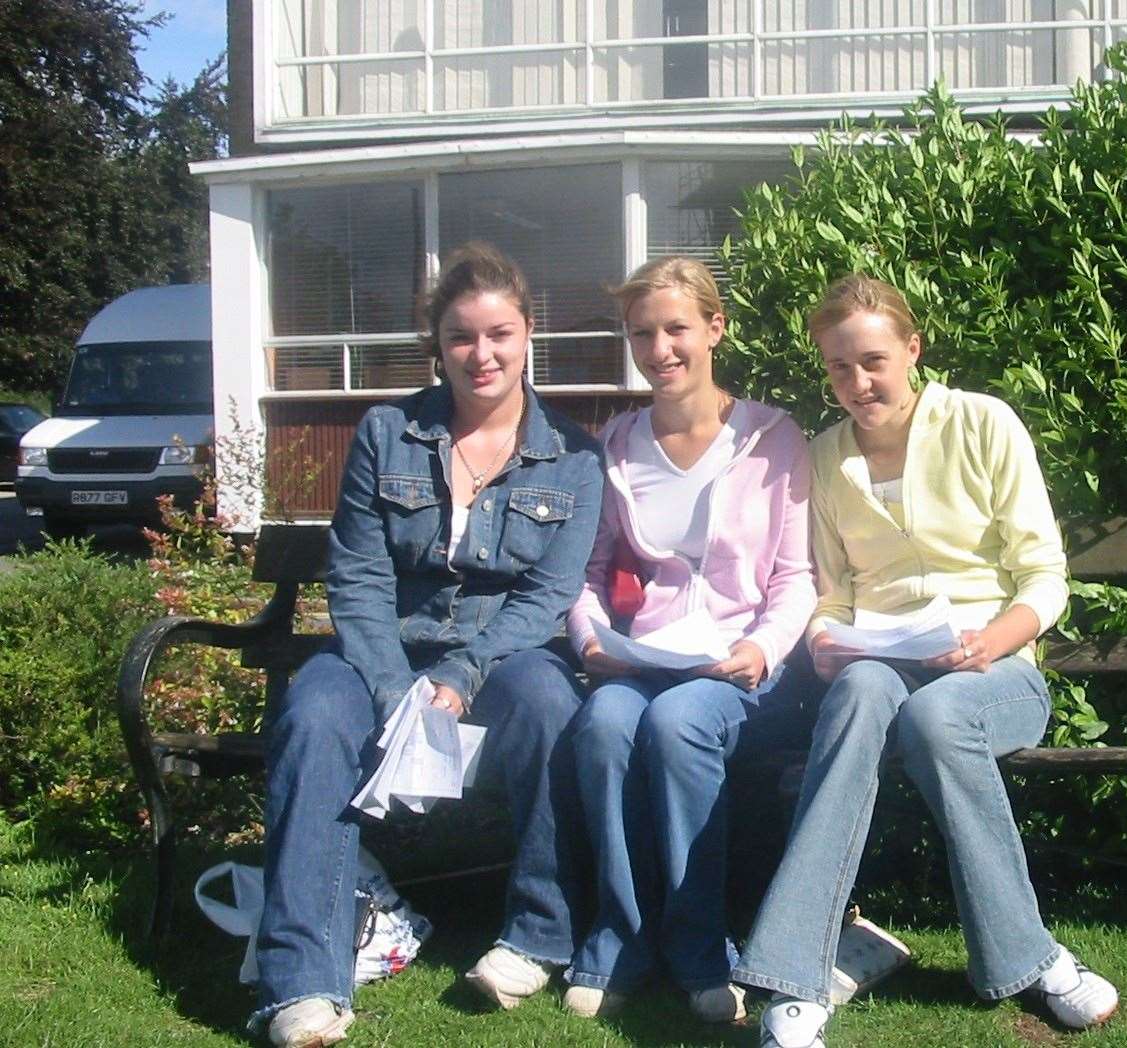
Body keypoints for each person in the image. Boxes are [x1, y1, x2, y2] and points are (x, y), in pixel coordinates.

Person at [732, 275, 1119, 1047]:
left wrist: (993, 640)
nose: (858, 383)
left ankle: (1028, 958)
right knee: (858, 695)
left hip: (993, 670)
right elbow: (833, 595)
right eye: (839, 368)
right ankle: (795, 975)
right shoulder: (824, 458)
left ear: (912, 349)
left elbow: (1044, 574)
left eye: (873, 361)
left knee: (939, 716)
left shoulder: (982, 423)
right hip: (882, 660)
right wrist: (822, 639)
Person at [251, 243, 603, 1047]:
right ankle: (303, 981)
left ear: (527, 336)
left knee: (553, 706)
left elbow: (548, 594)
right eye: (462, 338)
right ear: (437, 346)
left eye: (500, 335)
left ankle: (538, 935)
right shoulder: (387, 433)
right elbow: (358, 575)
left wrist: (464, 671)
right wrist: (389, 687)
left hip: (502, 657)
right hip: (382, 653)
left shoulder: (576, 457)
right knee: (312, 716)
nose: (483, 355)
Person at [563, 256, 815, 1022]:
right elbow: (589, 570)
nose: (660, 349)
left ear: (715, 328)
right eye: (643, 333)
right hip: (644, 656)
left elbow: (797, 575)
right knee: (603, 724)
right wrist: (589, 641)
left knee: (679, 726)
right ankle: (620, 939)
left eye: (677, 328)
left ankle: (702, 949)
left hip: (737, 665)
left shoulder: (773, 436)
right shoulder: (618, 442)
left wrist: (764, 649)